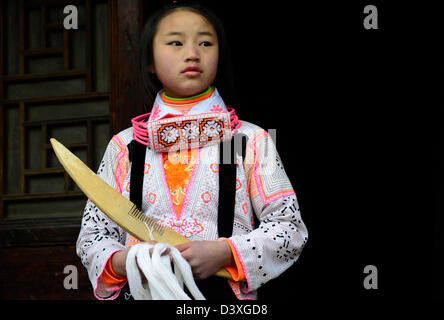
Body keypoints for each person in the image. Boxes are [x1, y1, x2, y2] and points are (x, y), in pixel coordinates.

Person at [76, 1, 308, 300]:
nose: (192, 53)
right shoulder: (125, 146)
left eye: (205, 42)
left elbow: (289, 229)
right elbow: (93, 237)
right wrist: (128, 261)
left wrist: (226, 253)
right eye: (175, 42)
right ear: (150, 60)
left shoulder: (249, 139)